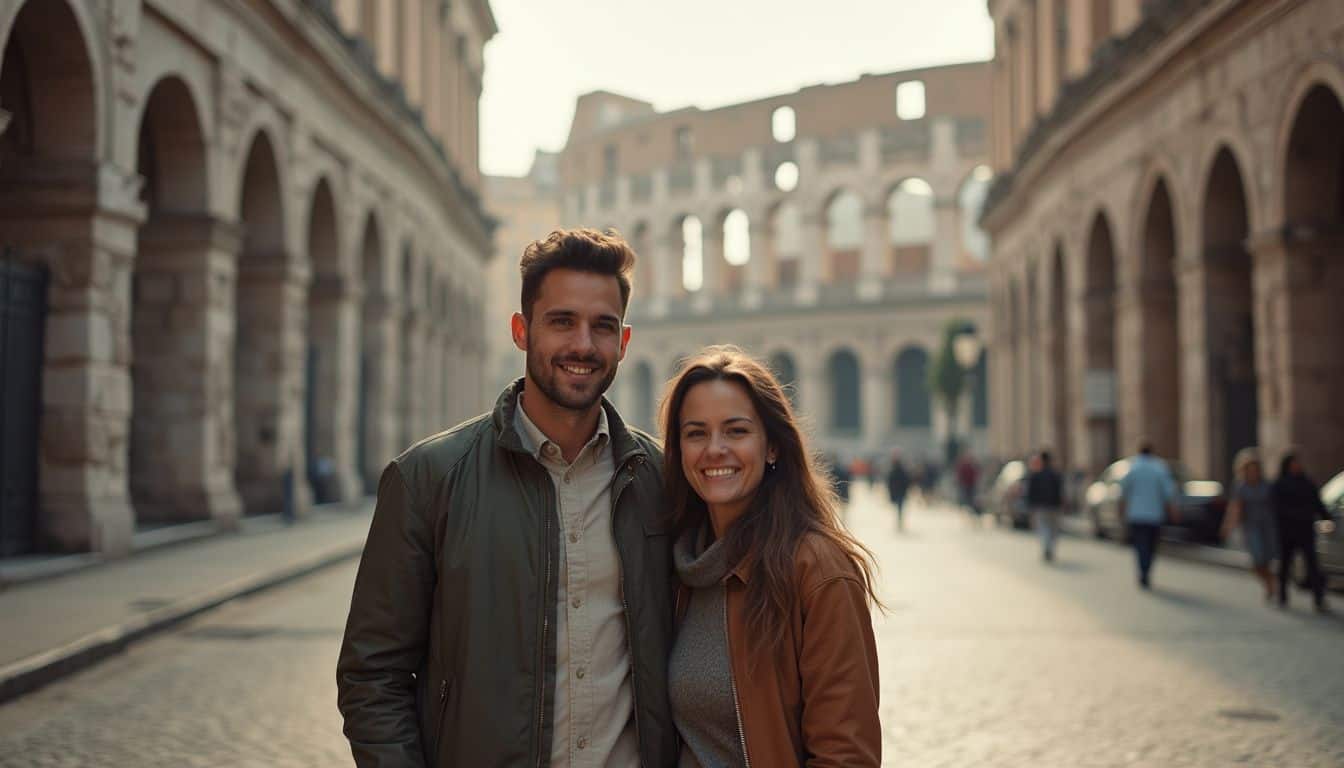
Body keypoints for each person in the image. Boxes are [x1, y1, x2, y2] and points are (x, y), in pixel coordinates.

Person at [336, 229, 677, 767]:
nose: (583, 346)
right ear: (522, 331)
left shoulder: (661, 480)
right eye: (561, 322)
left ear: (624, 342)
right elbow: (373, 674)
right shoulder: (427, 479)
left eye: (602, 327)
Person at [661, 346, 882, 767]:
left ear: (773, 447)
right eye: (695, 433)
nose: (714, 449)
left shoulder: (819, 571)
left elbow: (846, 756)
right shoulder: (681, 566)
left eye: (737, 431)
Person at [1270, 452, 1330, 612]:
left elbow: (1317, 502)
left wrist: (1326, 516)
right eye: (1294, 463)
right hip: (1287, 531)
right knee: (1285, 564)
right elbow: (1276, 508)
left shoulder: (1307, 482)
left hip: (1305, 530)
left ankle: (1319, 598)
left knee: (1312, 565)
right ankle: (1282, 595)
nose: (1297, 466)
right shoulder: (1280, 484)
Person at [1219, 448, 1278, 601]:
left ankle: (1271, 583)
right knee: (1256, 560)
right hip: (1251, 527)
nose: (1252, 472)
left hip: (1268, 526)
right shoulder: (1240, 486)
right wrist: (1227, 527)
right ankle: (1269, 581)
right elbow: (1235, 508)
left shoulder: (1266, 485)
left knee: (1268, 558)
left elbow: (1275, 505)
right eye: (1249, 469)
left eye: (1255, 468)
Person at [1118, 441, 1178, 590]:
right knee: (1151, 546)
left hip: (1136, 515)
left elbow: (1123, 492)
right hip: (1154, 515)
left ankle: (1143, 571)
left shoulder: (1132, 467)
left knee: (1140, 545)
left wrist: (1122, 512)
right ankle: (1147, 570)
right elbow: (1169, 492)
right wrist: (1173, 511)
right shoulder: (1159, 467)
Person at [1025, 450, 1065, 562]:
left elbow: (1031, 493)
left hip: (1041, 507)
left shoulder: (1036, 475)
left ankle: (1047, 547)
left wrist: (1031, 507)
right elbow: (1060, 491)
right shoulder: (1055, 474)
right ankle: (1050, 548)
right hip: (1054, 506)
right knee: (1053, 530)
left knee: (1044, 528)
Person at [887, 449, 911, 531]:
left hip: (898, 492)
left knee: (899, 508)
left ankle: (899, 522)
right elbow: (907, 481)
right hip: (901, 492)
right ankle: (899, 522)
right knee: (900, 508)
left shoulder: (893, 470)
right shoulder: (902, 470)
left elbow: (890, 483)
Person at [955, 451, 981, 522]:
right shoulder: (963, 465)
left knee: (971, 500)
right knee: (964, 500)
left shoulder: (972, 465)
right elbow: (959, 474)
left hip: (971, 485)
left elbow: (976, 474)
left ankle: (971, 514)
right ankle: (964, 513)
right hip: (964, 485)